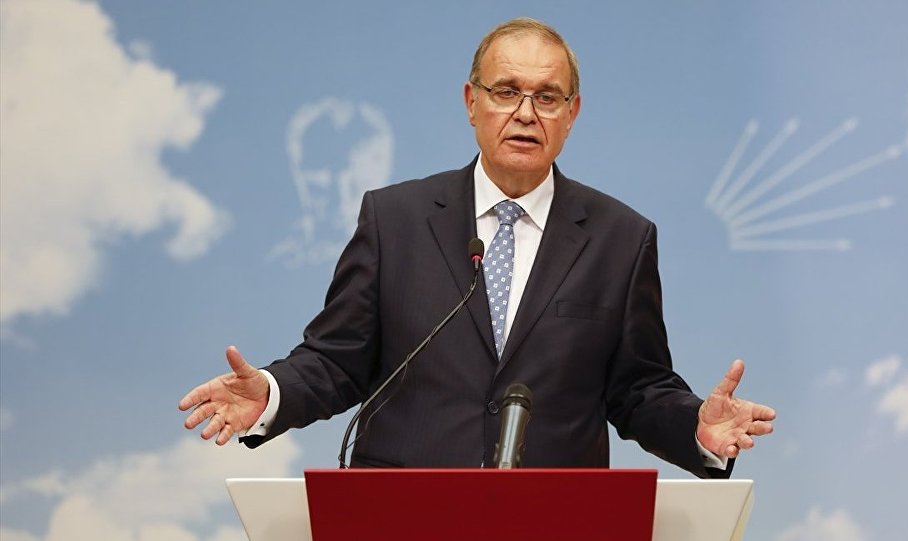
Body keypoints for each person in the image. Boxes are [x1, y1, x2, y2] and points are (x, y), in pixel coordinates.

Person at [179, 17, 775, 477]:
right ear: (472, 102)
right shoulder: (394, 219)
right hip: (402, 514)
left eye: (547, 97)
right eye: (506, 91)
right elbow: (338, 360)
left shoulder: (621, 238)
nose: (526, 114)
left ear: (572, 113)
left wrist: (695, 428)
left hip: (553, 520)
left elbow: (638, 388)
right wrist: (272, 395)